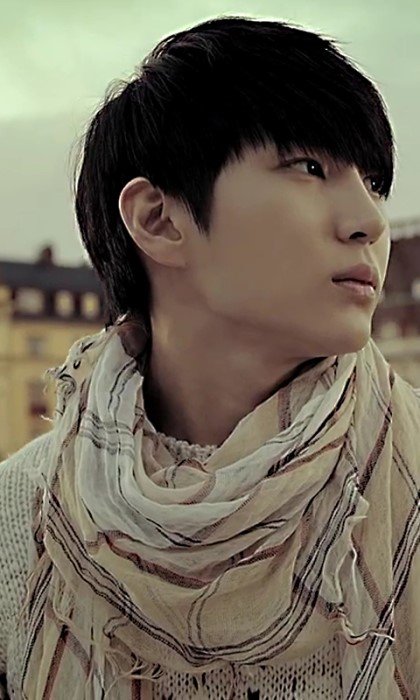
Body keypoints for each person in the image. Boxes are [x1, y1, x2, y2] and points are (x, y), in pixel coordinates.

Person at [0, 15, 419, 700]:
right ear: (159, 219)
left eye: (373, 183)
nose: (369, 222)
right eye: (310, 167)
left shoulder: (408, 485)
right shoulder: (20, 522)